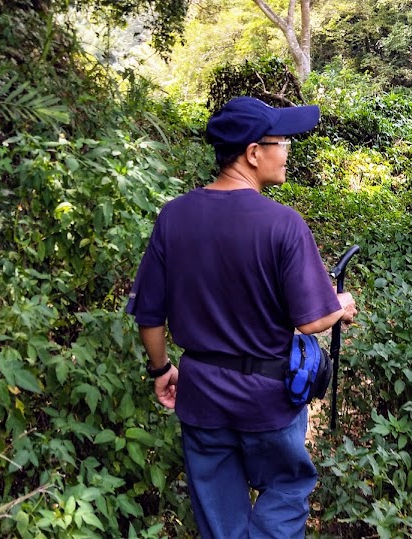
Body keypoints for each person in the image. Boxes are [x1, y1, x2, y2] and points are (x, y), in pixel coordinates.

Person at [126, 96, 357, 538]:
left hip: (202, 394)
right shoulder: (283, 224)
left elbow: (150, 316)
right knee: (287, 489)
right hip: (268, 401)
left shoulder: (174, 217)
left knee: (219, 518)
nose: (287, 150)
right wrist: (340, 305)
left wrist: (160, 369)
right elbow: (312, 320)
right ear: (254, 153)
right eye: (283, 141)